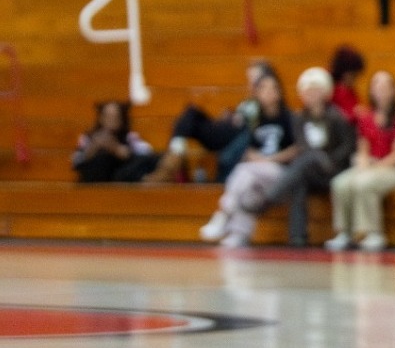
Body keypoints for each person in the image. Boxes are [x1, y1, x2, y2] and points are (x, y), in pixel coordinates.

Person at [257, 68, 358, 247]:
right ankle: (297, 236)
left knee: (307, 162)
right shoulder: (299, 118)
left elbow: (348, 145)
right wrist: (317, 157)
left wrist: (330, 159)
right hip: (313, 169)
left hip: (334, 168)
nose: (310, 94)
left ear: (325, 92)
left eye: (315, 90)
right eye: (307, 91)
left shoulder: (335, 116)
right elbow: (303, 146)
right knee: (301, 178)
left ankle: (270, 198)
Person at [198, 72, 298, 248]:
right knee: (249, 193)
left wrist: (271, 159)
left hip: (282, 172)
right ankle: (240, 234)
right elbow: (249, 150)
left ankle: (224, 213)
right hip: (259, 173)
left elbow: (297, 149)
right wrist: (258, 158)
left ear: (280, 92)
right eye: (263, 88)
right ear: (257, 93)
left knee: (244, 170)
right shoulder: (256, 119)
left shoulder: (288, 117)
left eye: (272, 88)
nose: (268, 92)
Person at [145, 58, 276, 183]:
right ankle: (173, 159)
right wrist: (231, 116)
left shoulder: (267, 103)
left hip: (234, 138)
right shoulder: (249, 102)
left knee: (191, 115)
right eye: (250, 80)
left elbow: (259, 126)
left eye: (254, 79)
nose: (251, 84)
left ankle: (170, 165)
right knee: (191, 113)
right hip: (225, 131)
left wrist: (242, 119)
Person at [327, 70, 395, 252]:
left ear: (393, 90)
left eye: (385, 86)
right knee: (340, 183)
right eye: (376, 85)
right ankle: (344, 232)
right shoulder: (366, 118)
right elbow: (363, 148)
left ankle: (373, 233)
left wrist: (374, 168)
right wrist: (363, 163)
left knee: (365, 183)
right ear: (371, 91)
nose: (380, 90)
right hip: (373, 164)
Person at [71, 101, 158, 183]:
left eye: (115, 117)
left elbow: (147, 153)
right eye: (108, 116)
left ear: (121, 119)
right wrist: (93, 148)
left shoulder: (129, 137)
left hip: (121, 177)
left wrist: (116, 148)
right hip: (96, 178)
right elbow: (76, 162)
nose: (112, 120)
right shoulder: (88, 137)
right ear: (101, 118)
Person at [329, 46, 366, 114]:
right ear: (345, 73)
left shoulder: (350, 90)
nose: (355, 79)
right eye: (354, 75)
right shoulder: (333, 92)